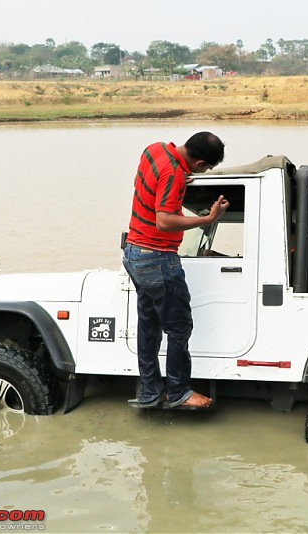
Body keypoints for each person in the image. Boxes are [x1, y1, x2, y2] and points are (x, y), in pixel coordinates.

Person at [122, 132, 228, 410]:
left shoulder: (154, 149)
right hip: (157, 257)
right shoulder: (174, 175)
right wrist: (208, 218)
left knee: (149, 327)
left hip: (134, 252)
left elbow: (153, 181)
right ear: (201, 161)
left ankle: (149, 392)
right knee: (179, 327)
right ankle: (179, 392)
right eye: (206, 168)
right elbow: (164, 222)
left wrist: (179, 179)